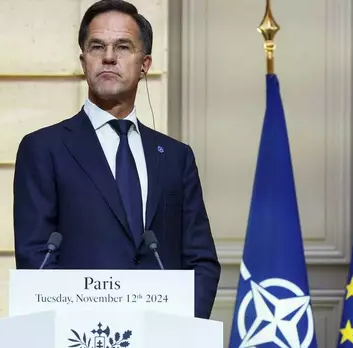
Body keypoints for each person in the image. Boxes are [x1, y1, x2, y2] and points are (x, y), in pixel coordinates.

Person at [12, 0, 220, 319]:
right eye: (97, 46)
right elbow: (35, 256)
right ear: (84, 61)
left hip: (164, 341)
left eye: (122, 47)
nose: (109, 57)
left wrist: (185, 330)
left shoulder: (176, 157)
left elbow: (201, 259)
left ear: (145, 63)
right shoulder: (43, 148)